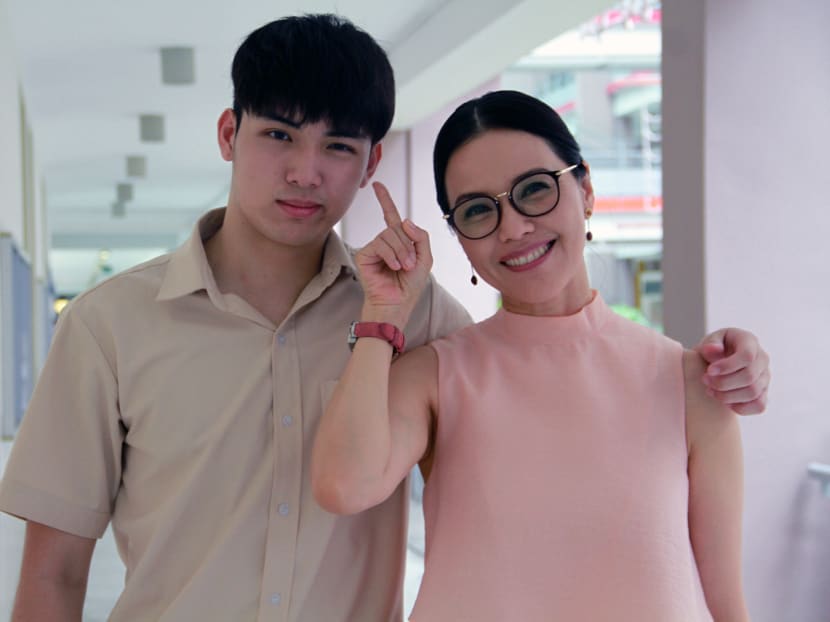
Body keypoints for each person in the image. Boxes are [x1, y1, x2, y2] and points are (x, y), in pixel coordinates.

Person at [0, 14, 766, 622]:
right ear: (230, 135)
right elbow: (55, 571)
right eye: (278, 135)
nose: (306, 171)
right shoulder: (109, 326)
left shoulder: (427, 318)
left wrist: (734, 364)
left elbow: (547, 368)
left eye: (337, 146)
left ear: (369, 167)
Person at [312, 90, 752, 621]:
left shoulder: (690, 382)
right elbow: (343, 485)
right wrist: (382, 314)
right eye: (478, 210)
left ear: (585, 189)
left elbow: (726, 602)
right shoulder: (436, 375)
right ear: (459, 236)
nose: (514, 227)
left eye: (535, 190)